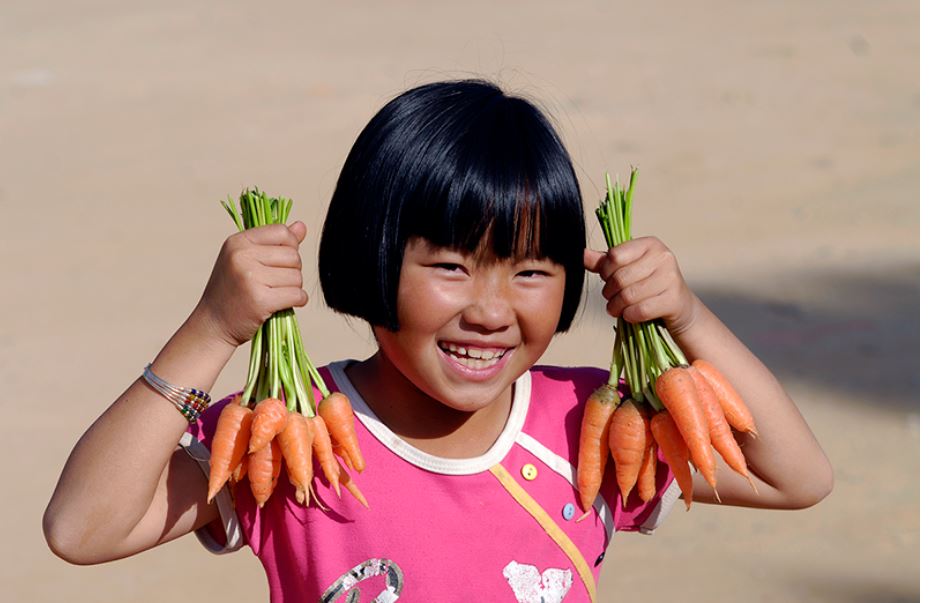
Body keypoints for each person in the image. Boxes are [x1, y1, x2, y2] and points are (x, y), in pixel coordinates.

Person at [43, 79, 832, 602]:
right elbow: (81, 530)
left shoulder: (586, 424)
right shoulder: (290, 434)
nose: (490, 310)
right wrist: (210, 328)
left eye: (530, 271)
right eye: (451, 266)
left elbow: (799, 475)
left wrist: (686, 316)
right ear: (370, 256)